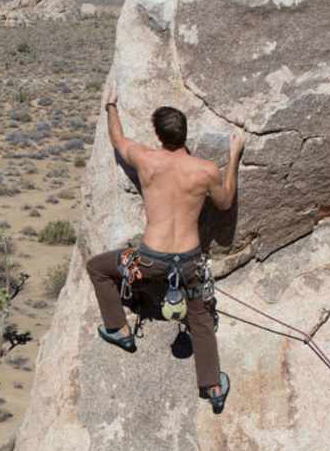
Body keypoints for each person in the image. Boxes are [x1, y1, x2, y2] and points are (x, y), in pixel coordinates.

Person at [85, 84, 245, 413]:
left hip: (148, 261)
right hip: (187, 264)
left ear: (158, 136)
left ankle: (119, 329)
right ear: (184, 135)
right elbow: (226, 201)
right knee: (199, 317)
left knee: (97, 268)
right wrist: (234, 158)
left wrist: (111, 106)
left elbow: (118, 142)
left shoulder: (147, 160)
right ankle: (212, 387)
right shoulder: (204, 171)